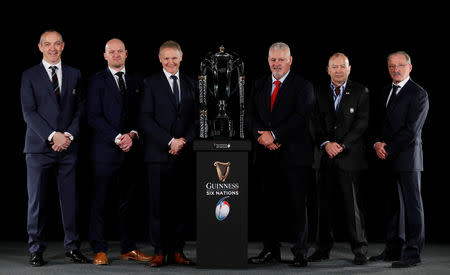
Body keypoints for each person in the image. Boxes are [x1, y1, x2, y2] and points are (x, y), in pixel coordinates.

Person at [20, 30, 90, 267]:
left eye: (56, 44)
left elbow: (81, 109)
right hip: (39, 148)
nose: (52, 48)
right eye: (47, 44)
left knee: (70, 200)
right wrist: (53, 136)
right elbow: (29, 112)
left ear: (63, 46)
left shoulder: (75, 74)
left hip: (68, 147)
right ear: (40, 47)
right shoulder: (29, 76)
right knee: (37, 202)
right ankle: (36, 249)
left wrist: (67, 135)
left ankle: (72, 247)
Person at [247, 42, 314, 267]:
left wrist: (274, 135)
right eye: (273, 60)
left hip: (294, 155)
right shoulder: (259, 84)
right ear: (268, 61)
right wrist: (261, 137)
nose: (277, 64)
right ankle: (270, 250)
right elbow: (250, 115)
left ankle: (300, 252)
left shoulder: (303, 86)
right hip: (265, 154)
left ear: (290, 61)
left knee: (297, 204)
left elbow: (300, 117)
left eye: (281, 59)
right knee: (268, 205)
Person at [86, 38, 152, 265]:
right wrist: (116, 137)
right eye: (111, 52)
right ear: (105, 55)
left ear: (126, 53)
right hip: (105, 152)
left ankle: (128, 248)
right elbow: (93, 116)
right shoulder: (96, 81)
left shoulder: (137, 79)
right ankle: (99, 250)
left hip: (131, 150)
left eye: (119, 51)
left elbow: (143, 115)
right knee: (100, 203)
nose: (115, 55)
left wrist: (132, 135)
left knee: (129, 202)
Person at [139, 40, 197, 267]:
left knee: (181, 206)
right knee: (157, 206)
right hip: (158, 155)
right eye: (166, 58)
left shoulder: (192, 83)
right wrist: (169, 141)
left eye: (174, 57)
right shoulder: (150, 83)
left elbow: (197, 120)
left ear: (181, 57)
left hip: (184, 154)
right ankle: (159, 251)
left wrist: (183, 141)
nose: (171, 62)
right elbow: (145, 118)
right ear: (160, 59)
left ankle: (178, 251)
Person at [309, 53, 369, 265]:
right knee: (323, 205)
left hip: (349, 157)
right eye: (334, 67)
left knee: (352, 206)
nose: (338, 70)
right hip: (324, 157)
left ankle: (360, 249)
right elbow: (313, 121)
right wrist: (326, 144)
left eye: (342, 66)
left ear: (349, 68)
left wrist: (342, 145)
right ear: (328, 69)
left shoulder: (361, 91)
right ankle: (322, 248)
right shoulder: (317, 91)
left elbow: (361, 124)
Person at [369, 51, 429, 268]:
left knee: (413, 206)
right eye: (392, 66)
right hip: (387, 157)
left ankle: (412, 253)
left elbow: (411, 130)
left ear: (409, 67)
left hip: (407, 159)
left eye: (400, 65)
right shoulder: (385, 90)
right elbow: (378, 123)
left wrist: (389, 148)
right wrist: (377, 143)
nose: (396, 69)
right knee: (392, 206)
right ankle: (393, 248)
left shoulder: (418, 94)